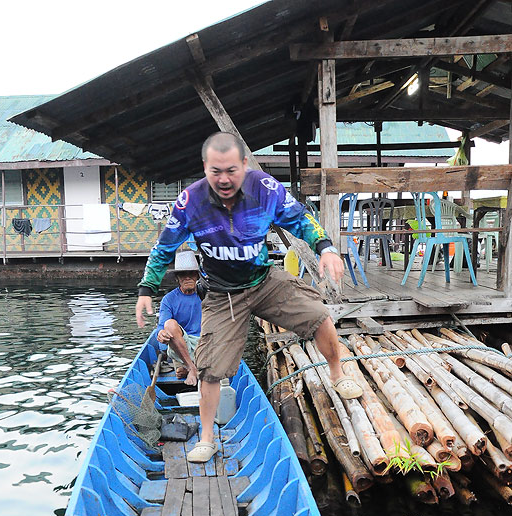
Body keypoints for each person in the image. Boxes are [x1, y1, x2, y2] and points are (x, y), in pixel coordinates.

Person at [136, 131, 361, 463]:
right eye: (216, 171)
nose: (224, 179)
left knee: (319, 315)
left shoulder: (265, 189)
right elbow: (163, 248)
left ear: (244, 164)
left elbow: (300, 220)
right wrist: (146, 290)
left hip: (264, 280)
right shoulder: (190, 201)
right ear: (205, 168)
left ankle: (337, 373)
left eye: (231, 170)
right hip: (222, 294)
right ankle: (208, 438)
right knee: (210, 369)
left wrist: (325, 248)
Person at [156, 249, 201, 387]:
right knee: (169, 324)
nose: (187, 278)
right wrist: (161, 334)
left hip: (204, 345)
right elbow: (162, 327)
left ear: (197, 275)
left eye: (191, 274)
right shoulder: (169, 300)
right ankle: (192, 368)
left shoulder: (208, 294)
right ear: (177, 279)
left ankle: (188, 368)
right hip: (182, 349)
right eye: (183, 275)